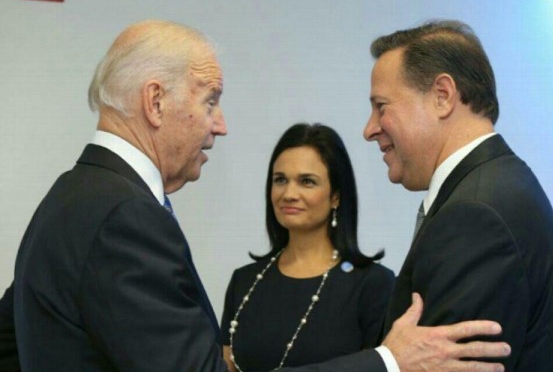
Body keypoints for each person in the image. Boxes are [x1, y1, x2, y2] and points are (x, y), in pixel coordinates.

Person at [1, 19, 511, 372]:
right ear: (155, 102)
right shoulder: (124, 215)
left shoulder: (72, 195)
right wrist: (388, 361)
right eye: (211, 101)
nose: (220, 125)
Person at [364, 20, 553, 371]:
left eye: (381, 106)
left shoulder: (475, 214)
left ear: (442, 96)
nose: (370, 129)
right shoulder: (499, 184)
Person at [221, 123, 394, 371]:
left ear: (336, 195)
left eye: (307, 182)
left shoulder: (373, 285)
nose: (289, 193)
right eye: (280, 180)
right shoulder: (244, 281)